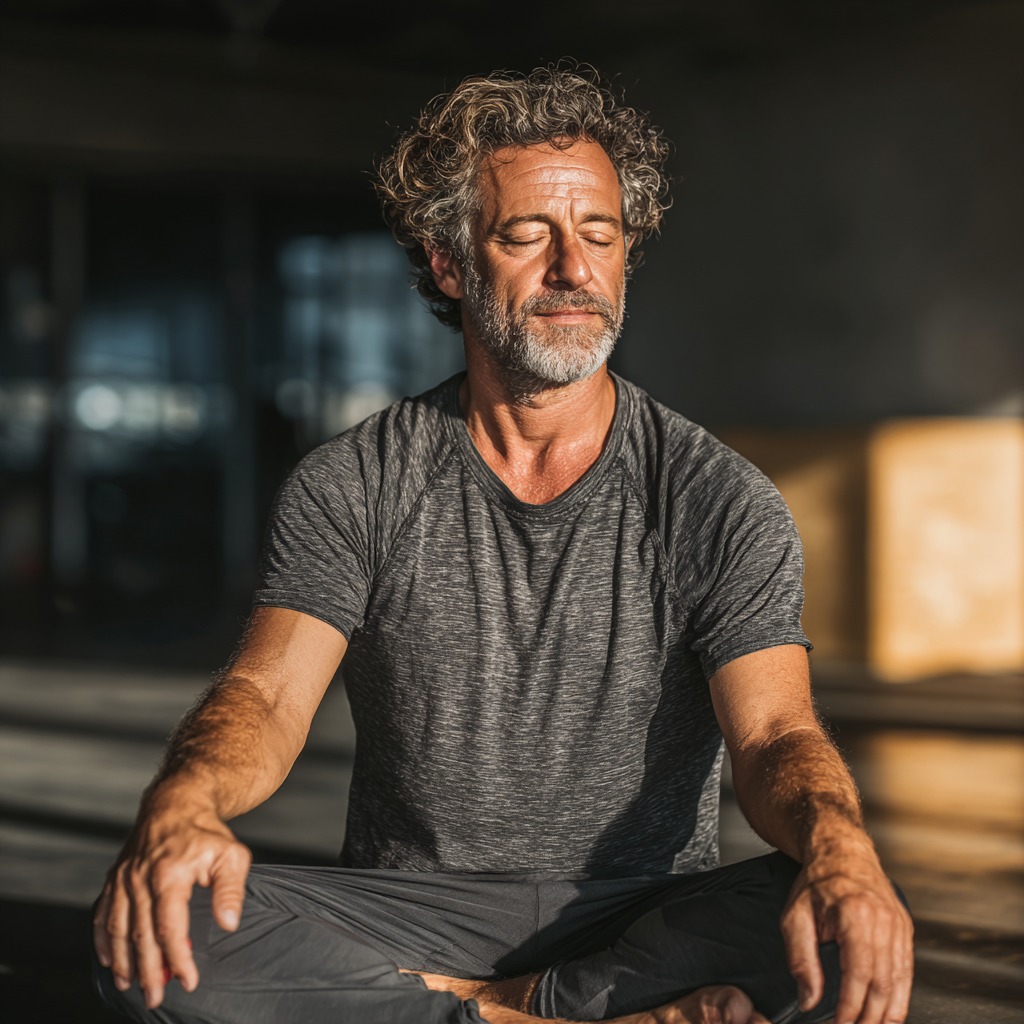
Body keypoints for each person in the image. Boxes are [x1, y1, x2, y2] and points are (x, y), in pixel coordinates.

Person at [92, 68, 913, 1024]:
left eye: (600, 236)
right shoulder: (357, 480)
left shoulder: (717, 497)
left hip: (636, 909)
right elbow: (266, 696)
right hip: (412, 914)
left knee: (840, 929)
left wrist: (841, 850)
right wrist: (185, 804)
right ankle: (548, 1012)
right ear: (449, 263)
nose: (574, 268)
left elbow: (775, 734)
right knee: (160, 927)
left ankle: (472, 1011)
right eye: (528, 234)